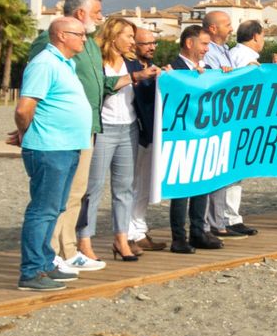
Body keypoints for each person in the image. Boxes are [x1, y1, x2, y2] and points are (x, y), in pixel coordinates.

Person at [28, 0, 118, 274]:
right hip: (58, 133)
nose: (102, 16)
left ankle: (68, 249)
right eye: (98, 11)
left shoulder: (89, 42)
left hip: (86, 127)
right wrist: (26, 125)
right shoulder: (50, 43)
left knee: (77, 192)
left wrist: (135, 77)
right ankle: (53, 253)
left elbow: (99, 83)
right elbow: (35, 86)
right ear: (80, 13)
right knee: (58, 197)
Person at [8, 19, 95, 291]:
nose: (84, 39)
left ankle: (45, 264)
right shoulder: (45, 63)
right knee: (42, 210)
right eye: (79, 34)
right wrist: (25, 134)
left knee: (55, 208)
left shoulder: (64, 64)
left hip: (67, 146)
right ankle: (31, 272)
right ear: (60, 35)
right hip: (49, 147)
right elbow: (24, 108)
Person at [77, 19, 142, 264]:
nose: (132, 41)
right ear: (113, 36)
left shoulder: (133, 62)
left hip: (130, 128)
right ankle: (84, 241)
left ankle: (121, 239)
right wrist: (132, 78)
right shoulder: (96, 63)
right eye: (128, 36)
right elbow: (95, 91)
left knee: (125, 188)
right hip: (103, 129)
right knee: (92, 188)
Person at [167, 25, 222, 253]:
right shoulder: (173, 69)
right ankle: (179, 237)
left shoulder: (208, 68)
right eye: (204, 44)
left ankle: (198, 231)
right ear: (190, 43)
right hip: (181, 136)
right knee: (181, 189)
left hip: (203, 135)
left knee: (202, 183)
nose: (206, 50)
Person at [201, 11, 254, 241]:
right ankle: (212, 223)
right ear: (213, 28)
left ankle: (221, 220)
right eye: (227, 24)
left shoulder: (224, 51)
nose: (231, 29)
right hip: (214, 119)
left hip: (229, 118)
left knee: (226, 171)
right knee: (214, 172)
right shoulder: (209, 53)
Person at [125, 27, 164, 253]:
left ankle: (139, 230)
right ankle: (127, 233)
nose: (151, 47)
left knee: (146, 186)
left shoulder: (151, 68)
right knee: (130, 185)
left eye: (154, 43)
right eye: (146, 43)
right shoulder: (129, 68)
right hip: (135, 132)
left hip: (151, 133)